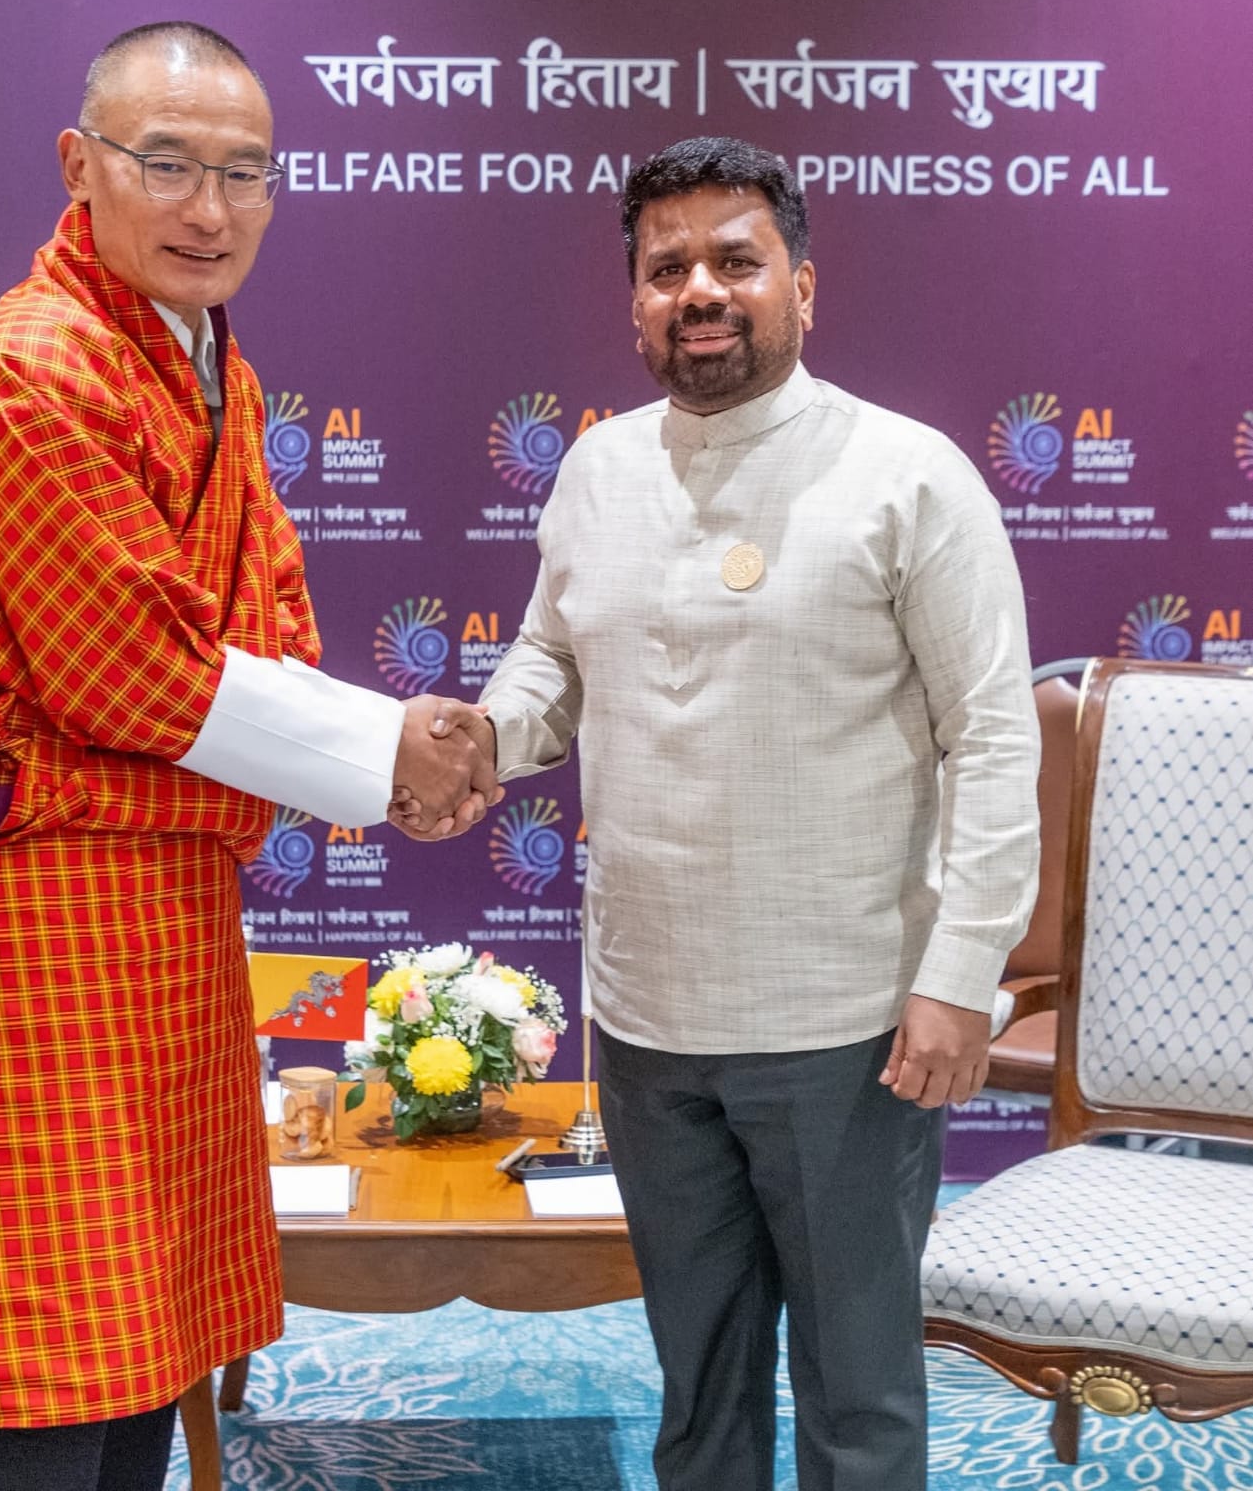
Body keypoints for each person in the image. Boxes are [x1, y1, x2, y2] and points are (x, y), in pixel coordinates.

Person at [0, 21, 493, 1491]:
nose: (210, 210)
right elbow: (127, 662)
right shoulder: (20, 365)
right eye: (168, 166)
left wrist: (381, 750)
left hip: (169, 893)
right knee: (55, 1346)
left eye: (244, 174)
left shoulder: (210, 370)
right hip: (31, 908)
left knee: (146, 1330)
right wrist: (387, 751)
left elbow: (260, 624)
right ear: (80, 167)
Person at [402, 137, 1039, 1490]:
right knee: (697, 1392)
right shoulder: (596, 470)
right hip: (649, 1025)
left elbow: (992, 738)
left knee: (858, 1400)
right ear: (635, 300)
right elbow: (551, 663)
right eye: (667, 267)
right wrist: (480, 740)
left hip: (849, 1029)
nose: (700, 289)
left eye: (735, 262)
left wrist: (960, 976)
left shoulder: (909, 474)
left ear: (802, 285)